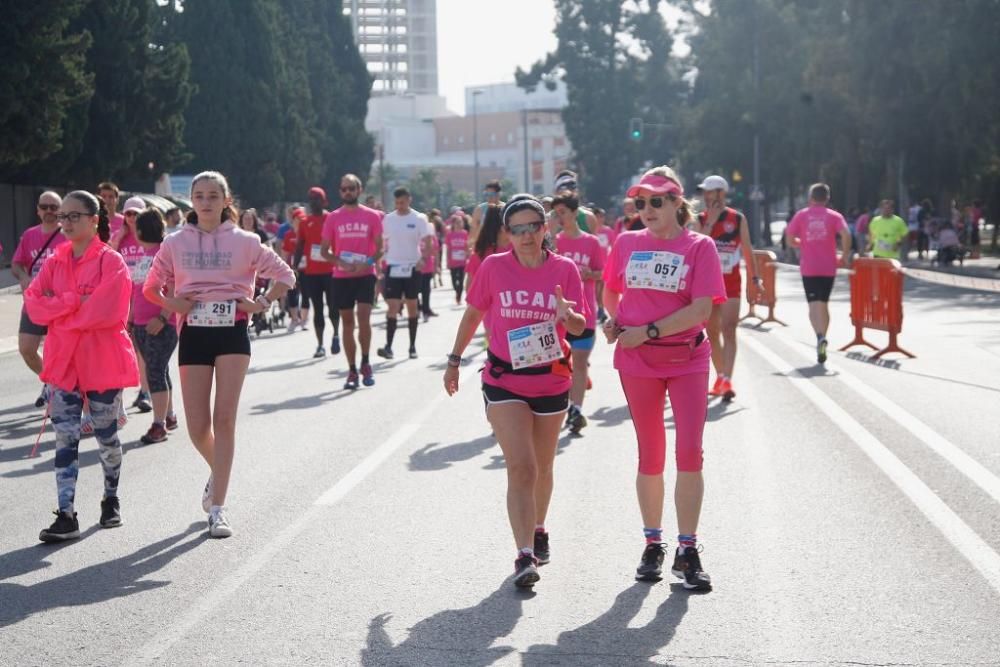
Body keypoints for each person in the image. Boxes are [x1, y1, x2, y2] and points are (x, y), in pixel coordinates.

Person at [444, 194, 587, 588]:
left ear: (546, 228)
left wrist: (567, 314)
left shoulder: (565, 270)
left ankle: (539, 526)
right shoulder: (494, 268)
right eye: (517, 230)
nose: (526, 237)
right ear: (507, 233)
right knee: (521, 466)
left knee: (542, 468)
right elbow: (473, 313)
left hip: (552, 379)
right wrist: (455, 360)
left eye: (533, 228)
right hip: (504, 379)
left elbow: (580, 327)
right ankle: (525, 554)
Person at [143, 171, 294, 538]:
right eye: (199, 196)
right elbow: (150, 287)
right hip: (193, 332)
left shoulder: (246, 241)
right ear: (191, 201)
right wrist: (171, 302)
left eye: (213, 195)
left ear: (226, 200)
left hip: (232, 332)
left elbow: (285, 275)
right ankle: (220, 472)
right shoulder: (176, 242)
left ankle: (219, 509)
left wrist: (260, 303)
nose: (206, 202)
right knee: (197, 429)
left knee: (224, 419)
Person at [601, 166, 725, 591]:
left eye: (657, 201)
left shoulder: (700, 247)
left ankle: (687, 549)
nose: (648, 209)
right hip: (638, 362)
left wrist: (648, 330)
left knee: (690, 451)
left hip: (687, 358)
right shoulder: (627, 242)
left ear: (677, 203)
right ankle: (653, 544)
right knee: (650, 453)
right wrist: (615, 319)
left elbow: (701, 309)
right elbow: (611, 288)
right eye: (641, 202)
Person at [24, 190, 139, 541]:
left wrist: (61, 311)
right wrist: (75, 301)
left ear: (94, 221)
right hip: (64, 363)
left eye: (74, 216)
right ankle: (66, 513)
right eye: (63, 216)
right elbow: (33, 303)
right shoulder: (55, 261)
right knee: (65, 438)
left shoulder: (111, 261)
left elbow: (107, 311)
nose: (66, 222)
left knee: (106, 435)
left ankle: (111, 498)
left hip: (101, 362)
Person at [693, 175, 760, 401]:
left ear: (721, 193)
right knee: (711, 331)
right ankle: (720, 375)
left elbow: (748, 250)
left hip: (731, 283)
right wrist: (710, 223)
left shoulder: (737, 219)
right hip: (707, 284)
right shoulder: (699, 219)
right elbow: (693, 248)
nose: (705, 196)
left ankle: (728, 379)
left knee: (729, 329)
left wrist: (755, 279)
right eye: (704, 192)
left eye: (709, 192)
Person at [320, 174, 384, 390]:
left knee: (364, 318)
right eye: (344, 188)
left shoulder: (373, 216)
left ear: (359, 190)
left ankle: (366, 362)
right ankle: (352, 369)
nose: (348, 192)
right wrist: (340, 262)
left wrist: (366, 263)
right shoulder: (333, 218)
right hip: (342, 277)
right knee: (348, 324)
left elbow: (380, 249)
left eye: (352, 188)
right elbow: (324, 251)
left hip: (365, 275)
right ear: (340, 192)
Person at [552, 192, 604, 434]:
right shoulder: (554, 242)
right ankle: (559, 407)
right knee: (560, 365)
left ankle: (576, 410)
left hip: (585, 313)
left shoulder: (591, 242)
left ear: (575, 213)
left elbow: (602, 273)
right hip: (557, 317)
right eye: (556, 213)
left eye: (563, 212)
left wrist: (588, 274)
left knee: (580, 362)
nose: (559, 217)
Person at [785, 183, 852, 364]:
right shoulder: (834, 216)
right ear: (827, 198)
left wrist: (802, 243)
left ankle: (819, 336)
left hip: (809, 267)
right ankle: (823, 336)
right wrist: (845, 256)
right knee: (824, 304)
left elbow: (789, 239)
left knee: (813, 305)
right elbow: (846, 234)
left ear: (811, 198)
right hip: (829, 266)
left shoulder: (802, 215)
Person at [12, 191, 68, 408]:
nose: (49, 211)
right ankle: (51, 381)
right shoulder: (29, 235)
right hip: (34, 303)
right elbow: (17, 264)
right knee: (26, 349)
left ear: (61, 210)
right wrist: (24, 276)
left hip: (61, 305)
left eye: (54, 207)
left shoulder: (68, 235)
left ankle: (63, 390)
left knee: (64, 353)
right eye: (44, 207)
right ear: (37, 210)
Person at [129, 208, 179, 444]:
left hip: (161, 324)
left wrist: (162, 317)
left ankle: (158, 426)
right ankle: (168, 416)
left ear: (139, 230)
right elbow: (136, 291)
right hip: (140, 323)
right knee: (159, 370)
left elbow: (174, 288)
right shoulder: (145, 254)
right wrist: (130, 318)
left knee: (155, 372)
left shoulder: (164, 254)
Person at [376, 187, 433, 360]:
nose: (400, 206)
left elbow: (428, 242)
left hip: (412, 267)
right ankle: (388, 346)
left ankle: (412, 346)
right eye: (397, 203)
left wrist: (423, 259)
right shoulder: (389, 219)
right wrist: (379, 263)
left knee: (412, 306)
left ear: (409, 199)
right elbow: (381, 243)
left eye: (403, 202)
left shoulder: (419, 218)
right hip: (393, 266)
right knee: (392, 306)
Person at [112, 196, 157, 415]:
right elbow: (108, 257)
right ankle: (118, 393)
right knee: (121, 346)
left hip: (143, 298)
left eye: (135, 214)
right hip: (122, 296)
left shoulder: (148, 237)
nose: (131, 218)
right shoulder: (120, 238)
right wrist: (119, 237)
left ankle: (145, 391)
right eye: (128, 213)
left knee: (142, 348)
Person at [295, 187, 340, 359]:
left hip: (331, 271)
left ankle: (336, 334)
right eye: (311, 199)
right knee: (318, 309)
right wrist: (294, 268)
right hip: (311, 273)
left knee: (333, 306)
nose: (313, 202)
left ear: (324, 201)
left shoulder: (331, 218)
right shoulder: (305, 222)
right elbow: (299, 246)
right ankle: (320, 345)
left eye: (317, 199)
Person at [280, 211, 307, 332]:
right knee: (292, 294)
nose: (300, 222)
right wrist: (285, 269)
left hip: (306, 269)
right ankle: (294, 319)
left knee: (306, 294)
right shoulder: (288, 235)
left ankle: (304, 320)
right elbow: (284, 253)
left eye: (302, 219)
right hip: (292, 269)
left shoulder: (308, 234)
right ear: (293, 220)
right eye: (298, 219)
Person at [418, 214, 440, 322]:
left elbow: (435, 251)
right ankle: (418, 307)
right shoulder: (413, 233)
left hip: (427, 267)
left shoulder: (431, 235)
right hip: (415, 267)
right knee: (415, 289)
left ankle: (426, 310)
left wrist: (436, 266)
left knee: (426, 290)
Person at [469, 180, 505, 245]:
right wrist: (471, 245)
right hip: (484, 247)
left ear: (499, 194)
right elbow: (473, 231)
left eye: (492, 194)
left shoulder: (505, 208)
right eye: (486, 194)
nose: (489, 197)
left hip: (502, 246)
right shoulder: (479, 209)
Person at [445, 213, 470, 304]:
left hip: (463, 261)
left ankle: (459, 296)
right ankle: (457, 291)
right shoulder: (450, 235)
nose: (460, 224)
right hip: (453, 261)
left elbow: (467, 246)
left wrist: (468, 255)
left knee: (461, 279)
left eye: (461, 222)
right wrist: (447, 261)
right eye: (458, 222)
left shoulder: (465, 233)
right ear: (453, 224)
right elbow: (448, 249)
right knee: (454, 280)